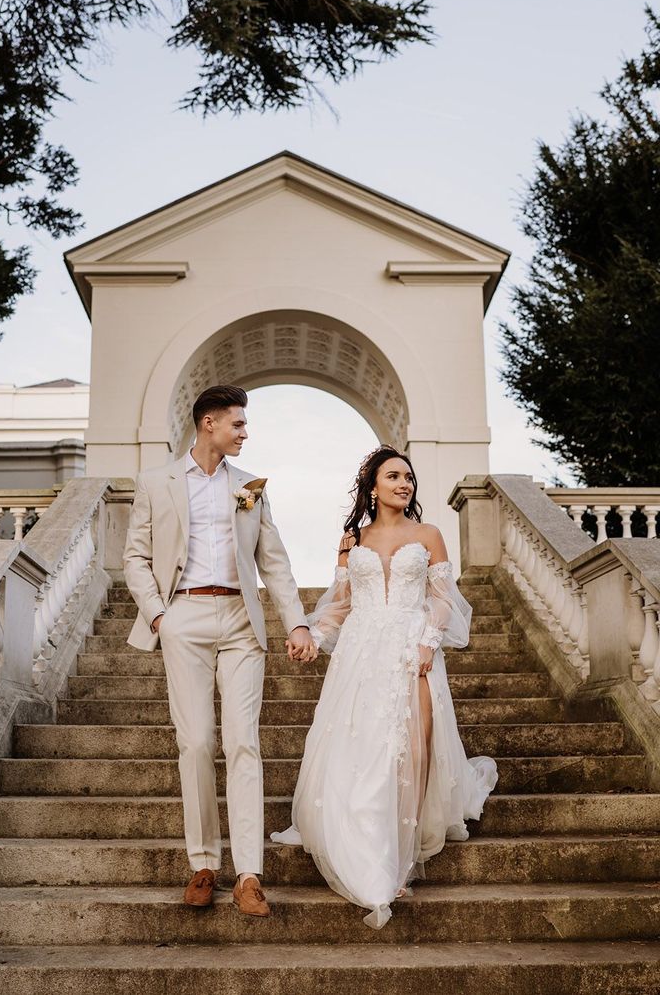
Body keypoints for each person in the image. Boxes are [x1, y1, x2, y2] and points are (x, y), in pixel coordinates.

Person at [271, 445, 498, 928]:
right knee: (363, 748)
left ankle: (404, 854)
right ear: (372, 486)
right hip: (360, 651)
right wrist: (313, 635)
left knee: (414, 749)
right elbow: (339, 604)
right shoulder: (352, 540)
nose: (404, 484)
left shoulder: (429, 534)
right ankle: (363, 838)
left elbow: (442, 599)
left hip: (412, 645)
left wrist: (428, 642)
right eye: (394, 476)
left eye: (409, 478)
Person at [123, 384, 317, 918]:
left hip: (240, 620)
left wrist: (296, 623)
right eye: (238, 424)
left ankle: (249, 874)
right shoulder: (156, 482)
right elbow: (135, 557)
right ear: (209, 423)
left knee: (242, 742)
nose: (245, 433)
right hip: (182, 614)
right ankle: (203, 864)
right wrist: (160, 615)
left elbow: (274, 562)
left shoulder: (249, 486)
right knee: (195, 742)